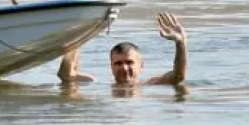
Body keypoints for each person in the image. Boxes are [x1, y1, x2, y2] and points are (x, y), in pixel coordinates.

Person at [57, 12, 188, 87]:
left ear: (141, 65)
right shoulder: (98, 85)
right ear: (110, 66)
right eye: (118, 63)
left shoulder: (150, 84)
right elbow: (66, 75)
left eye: (129, 62)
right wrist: (76, 39)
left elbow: (178, 76)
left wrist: (181, 43)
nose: (124, 68)